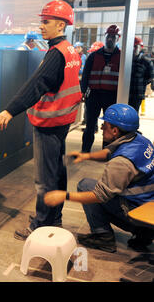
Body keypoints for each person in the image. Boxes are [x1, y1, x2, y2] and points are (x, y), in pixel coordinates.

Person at [0, 0, 82, 240]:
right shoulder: (70, 50)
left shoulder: (56, 54)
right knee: (58, 173)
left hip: (49, 123)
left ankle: (41, 225)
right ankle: (55, 218)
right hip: (63, 121)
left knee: (44, 178)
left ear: (61, 25)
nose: (41, 26)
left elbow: (36, 85)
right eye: (41, 21)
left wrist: (10, 110)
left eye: (46, 22)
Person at [44, 104, 154, 253]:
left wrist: (64, 195)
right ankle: (144, 233)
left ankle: (103, 237)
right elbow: (111, 151)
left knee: (86, 186)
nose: (101, 128)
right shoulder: (140, 140)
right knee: (93, 187)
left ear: (115, 130)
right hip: (147, 204)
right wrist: (86, 156)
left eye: (105, 125)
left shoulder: (121, 163)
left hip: (139, 211)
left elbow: (100, 195)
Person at [81, 25, 121, 153]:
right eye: (108, 36)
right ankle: (85, 150)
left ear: (118, 38)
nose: (110, 39)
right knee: (90, 125)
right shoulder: (93, 56)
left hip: (111, 96)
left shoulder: (121, 57)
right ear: (105, 37)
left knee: (109, 127)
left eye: (113, 37)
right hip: (94, 95)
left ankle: (106, 151)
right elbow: (85, 75)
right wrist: (83, 91)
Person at [128, 37, 153, 114]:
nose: (133, 48)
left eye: (135, 46)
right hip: (124, 94)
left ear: (140, 47)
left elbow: (150, 77)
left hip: (136, 95)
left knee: (133, 116)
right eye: (131, 46)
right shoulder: (124, 60)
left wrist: (141, 84)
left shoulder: (146, 62)